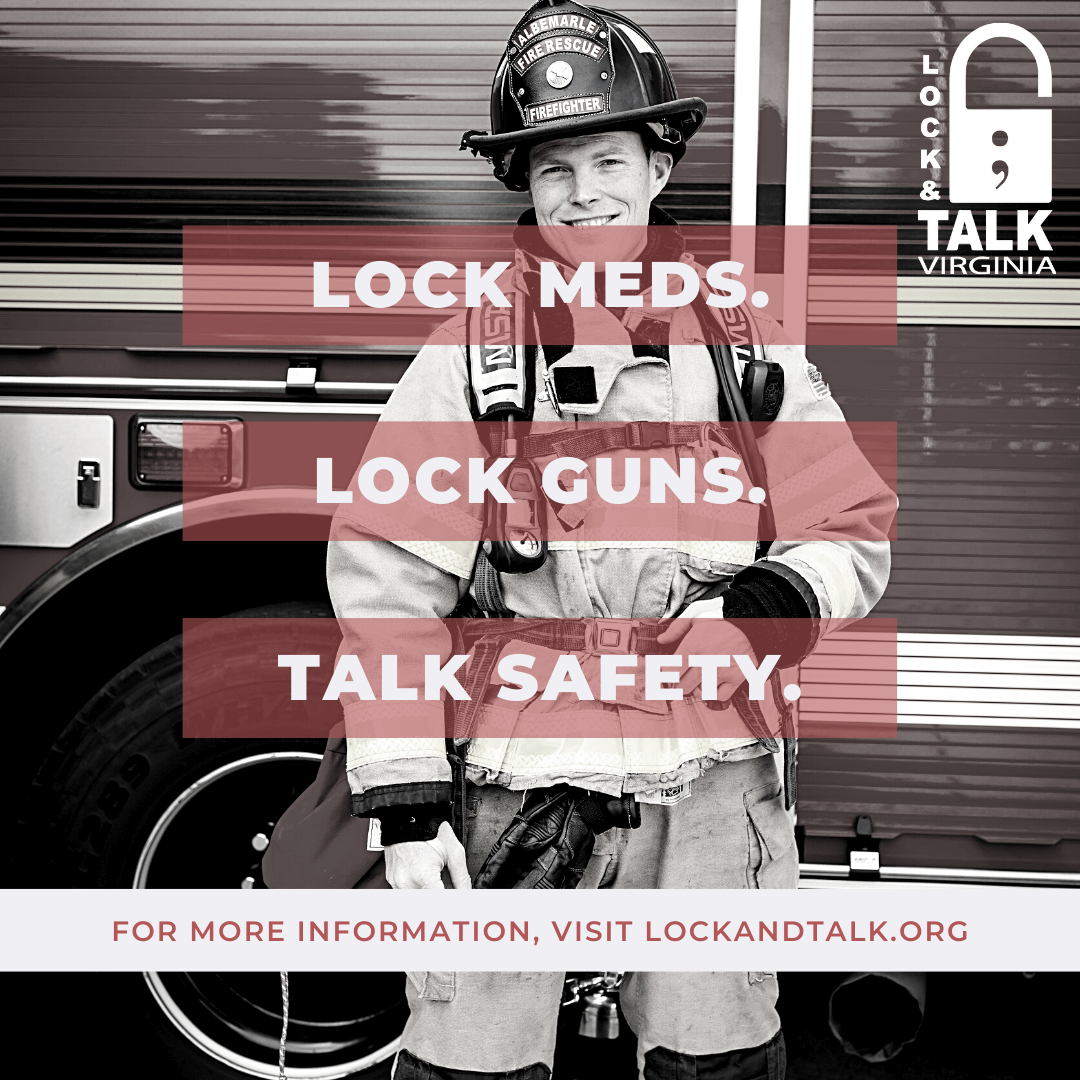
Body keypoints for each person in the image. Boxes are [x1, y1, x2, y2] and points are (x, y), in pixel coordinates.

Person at [326, 3, 894, 1077]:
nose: (583, 196)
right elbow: (389, 589)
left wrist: (772, 603)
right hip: (510, 805)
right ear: (525, 190)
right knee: (468, 1064)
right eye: (553, 171)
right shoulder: (466, 364)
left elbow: (851, 528)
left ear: (659, 166)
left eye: (606, 160)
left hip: (716, 803)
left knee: (713, 1061)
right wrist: (405, 811)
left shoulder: (745, 346)